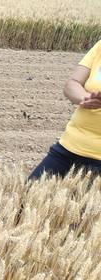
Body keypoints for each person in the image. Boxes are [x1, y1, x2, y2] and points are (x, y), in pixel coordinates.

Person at [29, 40, 101, 179]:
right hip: (68, 147)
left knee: (82, 200)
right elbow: (72, 84)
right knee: (27, 197)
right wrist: (84, 98)